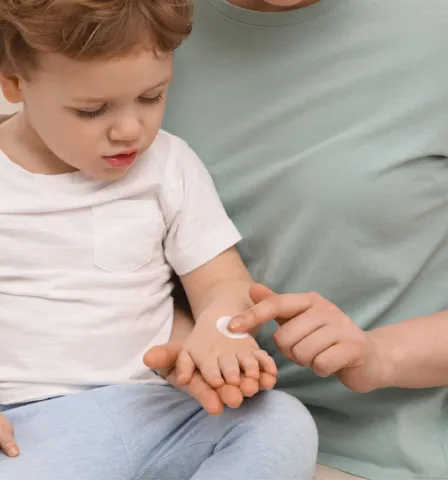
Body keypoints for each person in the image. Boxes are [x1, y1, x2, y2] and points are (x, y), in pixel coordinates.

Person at [0, 0, 318, 478]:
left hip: (162, 409)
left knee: (281, 421)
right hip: (23, 431)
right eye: (92, 110)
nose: (130, 129)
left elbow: (221, 283)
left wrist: (216, 333)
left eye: (152, 97)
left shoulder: (170, 166)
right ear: (13, 82)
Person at [144, 0, 448, 479]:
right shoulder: (142, 23)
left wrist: (380, 354)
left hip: (365, 453)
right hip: (162, 426)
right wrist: (188, 336)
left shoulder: (434, 31)